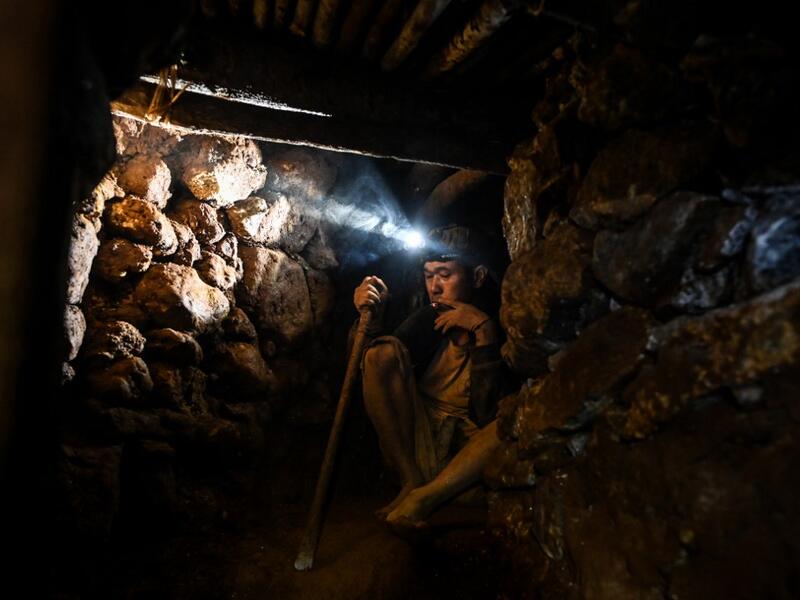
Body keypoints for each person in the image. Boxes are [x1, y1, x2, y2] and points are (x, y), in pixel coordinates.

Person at [352, 224, 511, 533]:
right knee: (380, 353)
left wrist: (484, 333)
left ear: (477, 277)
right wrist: (370, 320)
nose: (434, 287)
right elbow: (371, 371)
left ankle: (424, 498)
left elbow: (489, 413)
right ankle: (412, 481)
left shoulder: (501, 322)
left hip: (465, 452)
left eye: (445, 274)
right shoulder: (424, 318)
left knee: (510, 421)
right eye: (428, 275)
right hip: (417, 438)